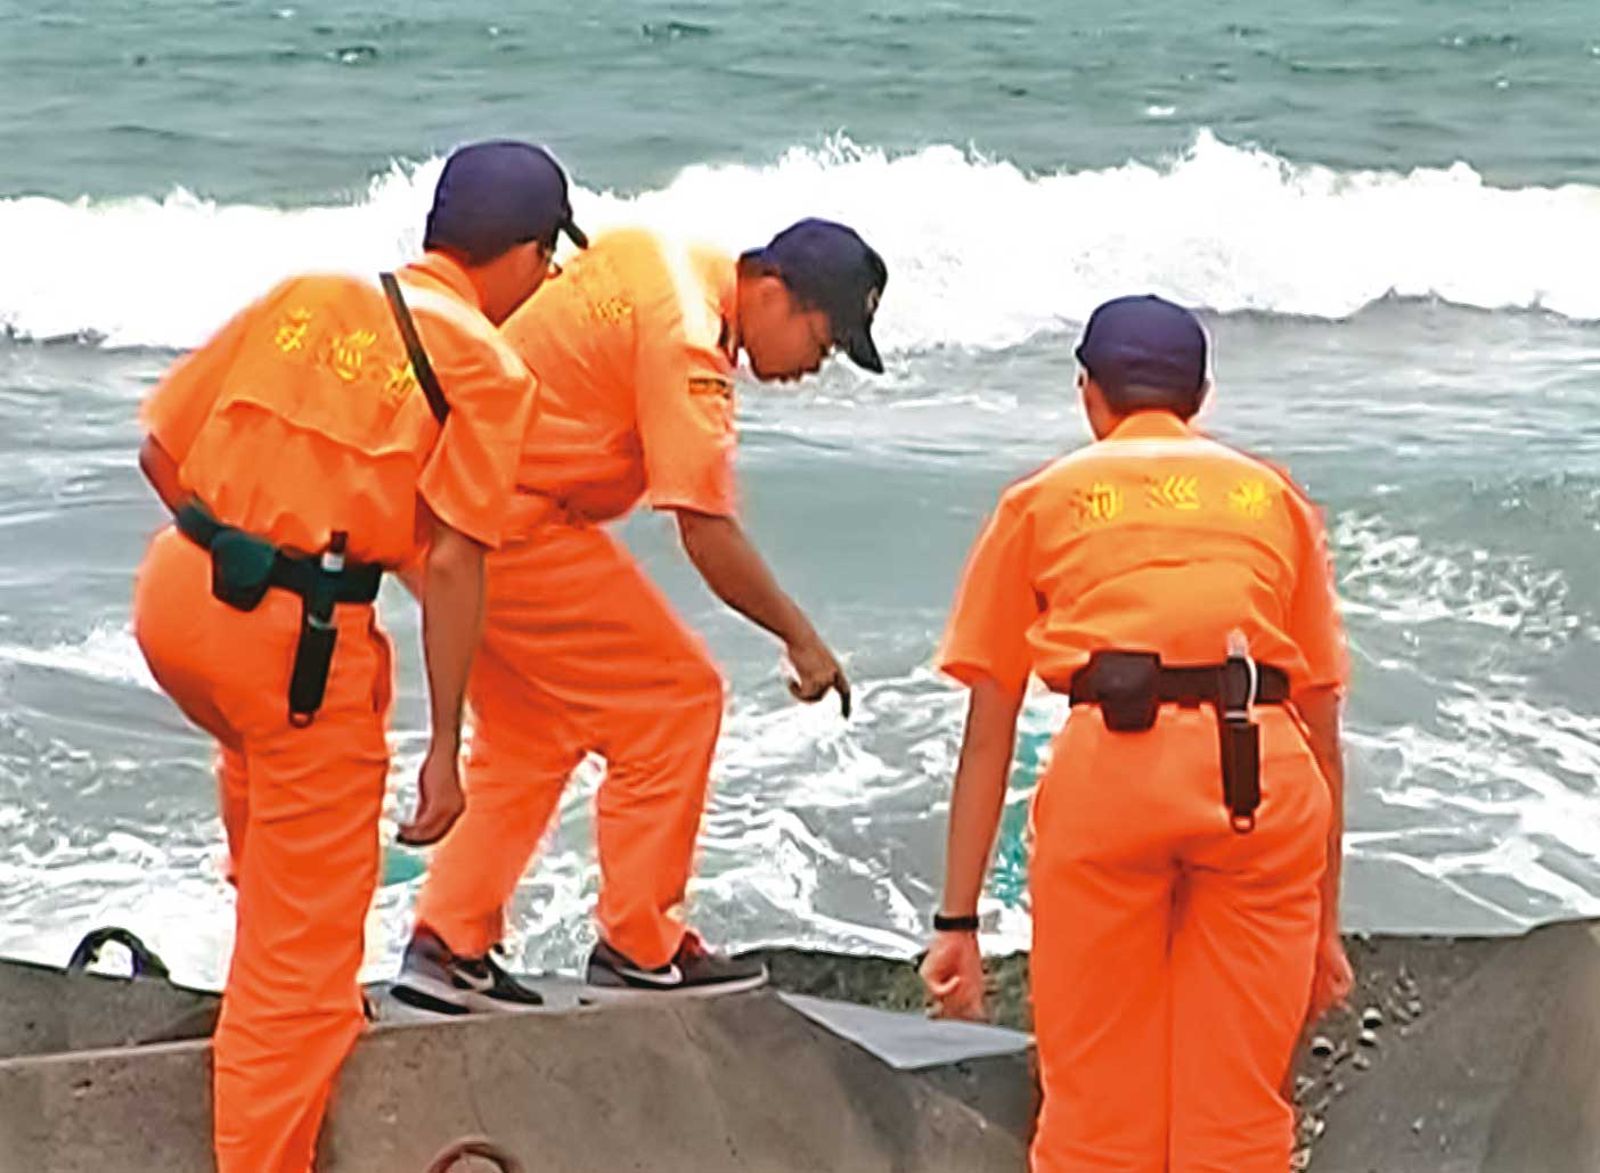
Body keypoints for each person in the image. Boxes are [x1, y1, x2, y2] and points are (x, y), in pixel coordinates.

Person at [132, 140, 584, 1172]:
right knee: (299, 973)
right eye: (549, 261)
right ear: (519, 255)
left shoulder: (309, 293)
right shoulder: (486, 366)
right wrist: (448, 752)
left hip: (177, 595)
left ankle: (275, 922)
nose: (549, 281)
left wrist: (237, 555)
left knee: (262, 783)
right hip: (298, 646)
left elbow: (159, 446)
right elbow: (459, 563)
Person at [393, 219, 887, 1008]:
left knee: (533, 728)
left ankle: (448, 943)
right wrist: (803, 639)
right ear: (771, 291)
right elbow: (703, 526)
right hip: (499, 520)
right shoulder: (691, 339)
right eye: (821, 340)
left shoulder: (659, 255)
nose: (813, 367)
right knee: (675, 700)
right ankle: (638, 944)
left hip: (438, 509)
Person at [919, 295, 1351, 1172]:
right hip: (1260, 779)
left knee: (1096, 1112)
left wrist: (956, 921)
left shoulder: (1040, 500)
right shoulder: (1273, 498)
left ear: (1090, 394)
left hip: (1110, 783)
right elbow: (1319, 718)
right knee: (1236, 1116)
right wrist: (1324, 925)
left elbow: (989, 725)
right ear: (1202, 397)